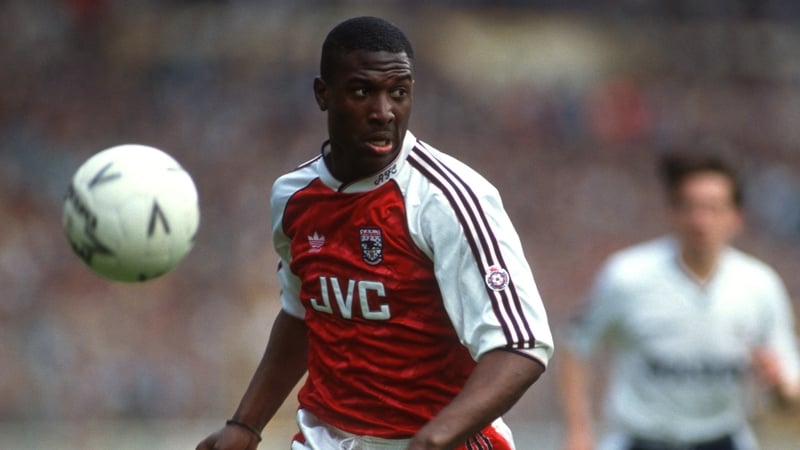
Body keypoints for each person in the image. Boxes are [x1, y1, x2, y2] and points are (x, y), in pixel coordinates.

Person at [196, 16, 553, 450]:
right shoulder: (293, 196)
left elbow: (522, 346)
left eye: (398, 93)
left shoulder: (445, 200)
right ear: (323, 94)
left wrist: (431, 439)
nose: (384, 112)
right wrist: (246, 425)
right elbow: (303, 313)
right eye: (363, 92)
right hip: (325, 439)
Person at [559, 151, 800, 450]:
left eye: (713, 208)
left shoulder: (760, 286)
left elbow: (790, 393)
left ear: (736, 218)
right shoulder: (627, 276)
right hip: (641, 441)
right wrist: (579, 431)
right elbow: (576, 347)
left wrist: (778, 386)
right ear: (672, 213)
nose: (701, 221)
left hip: (722, 440)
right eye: (691, 208)